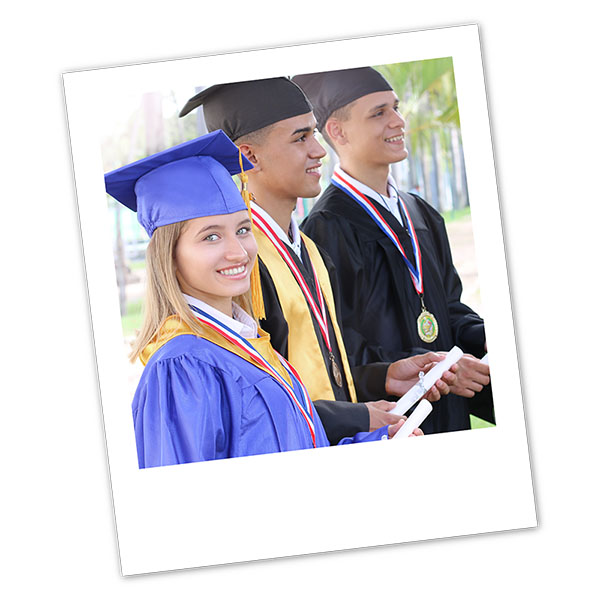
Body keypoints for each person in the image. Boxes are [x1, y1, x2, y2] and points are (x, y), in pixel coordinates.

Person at [104, 130, 423, 468]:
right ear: (170, 256)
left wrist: (375, 444)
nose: (238, 251)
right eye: (211, 236)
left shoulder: (252, 343)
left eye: (243, 229)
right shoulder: (183, 366)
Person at [179, 78, 456, 443]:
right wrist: (355, 417)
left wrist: (381, 375)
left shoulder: (308, 248)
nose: (320, 150)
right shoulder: (239, 266)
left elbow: (321, 368)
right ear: (249, 156)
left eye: (314, 134)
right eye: (300, 138)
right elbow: (252, 399)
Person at [292, 67, 493, 433]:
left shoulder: (422, 213)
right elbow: (340, 348)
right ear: (337, 131)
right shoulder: (326, 228)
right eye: (379, 113)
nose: (399, 121)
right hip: (393, 420)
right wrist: (427, 367)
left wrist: (487, 336)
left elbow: (446, 308)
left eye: (395, 108)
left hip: (450, 409)